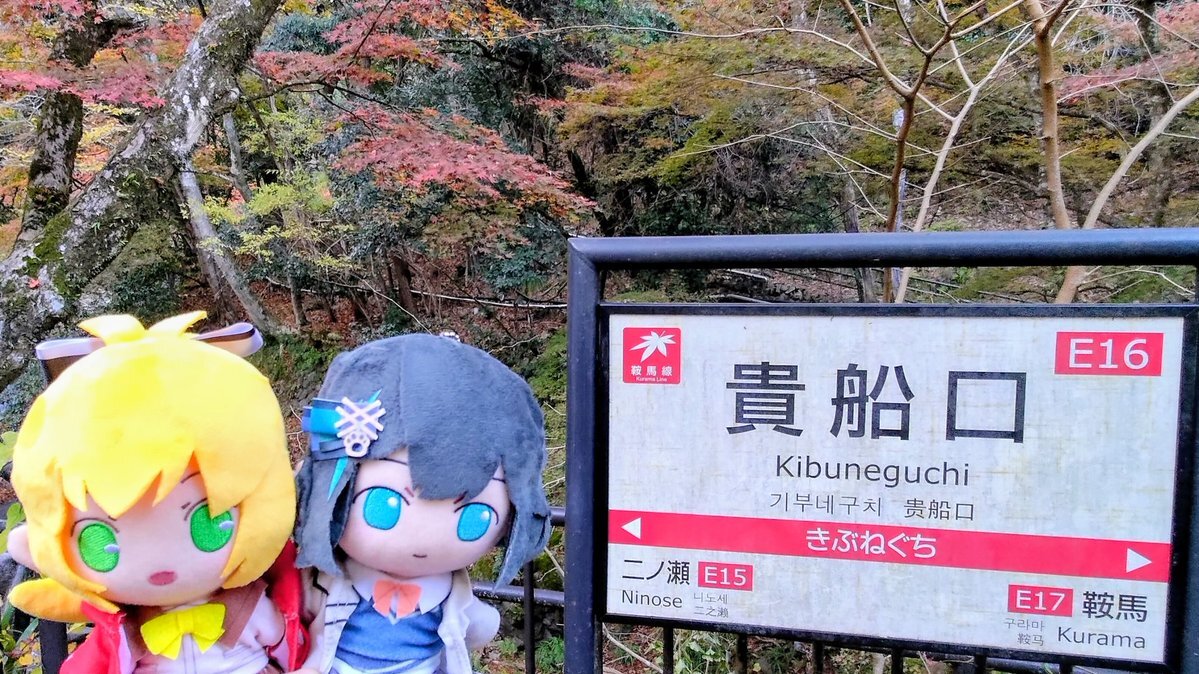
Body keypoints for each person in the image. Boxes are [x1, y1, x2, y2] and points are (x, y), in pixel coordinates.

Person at [5, 312, 303, 674]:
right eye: (102, 543)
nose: (161, 564)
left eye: (208, 524)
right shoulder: (128, 631)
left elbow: (290, 648)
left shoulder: (250, 610)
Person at [292, 333, 550, 674]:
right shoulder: (329, 580)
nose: (423, 541)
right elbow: (297, 610)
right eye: (384, 506)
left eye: (473, 518)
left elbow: (478, 625)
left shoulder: (448, 592)